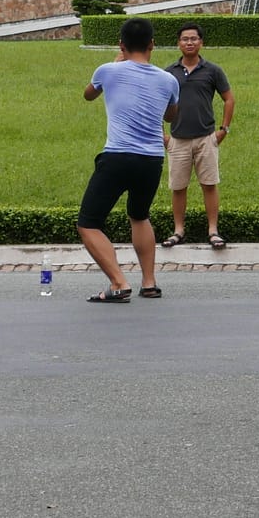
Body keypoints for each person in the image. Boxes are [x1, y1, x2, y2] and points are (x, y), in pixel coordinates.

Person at [77, 16, 178, 303]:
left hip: (118, 156)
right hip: (151, 160)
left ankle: (119, 283)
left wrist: (116, 63)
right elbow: (171, 116)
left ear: (121, 45)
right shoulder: (168, 79)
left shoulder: (108, 71)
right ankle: (149, 282)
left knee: (88, 222)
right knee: (139, 215)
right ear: (152, 45)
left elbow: (88, 95)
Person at [160, 24, 235, 251]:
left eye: (194, 39)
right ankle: (178, 230)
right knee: (178, 187)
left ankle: (213, 230)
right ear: (178, 43)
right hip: (178, 139)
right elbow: (156, 103)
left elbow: (229, 99)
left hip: (206, 138)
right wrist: (162, 136)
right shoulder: (168, 72)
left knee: (209, 184)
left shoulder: (212, 70)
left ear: (201, 42)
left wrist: (223, 130)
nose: (189, 42)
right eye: (185, 39)